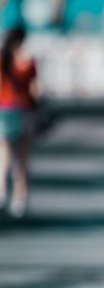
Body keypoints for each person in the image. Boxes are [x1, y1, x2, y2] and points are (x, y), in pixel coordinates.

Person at [0, 24, 38, 219]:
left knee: (4, 154)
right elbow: (34, 89)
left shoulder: (3, 59)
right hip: (23, 109)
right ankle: (20, 197)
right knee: (22, 159)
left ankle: (2, 191)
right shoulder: (27, 61)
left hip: (4, 108)